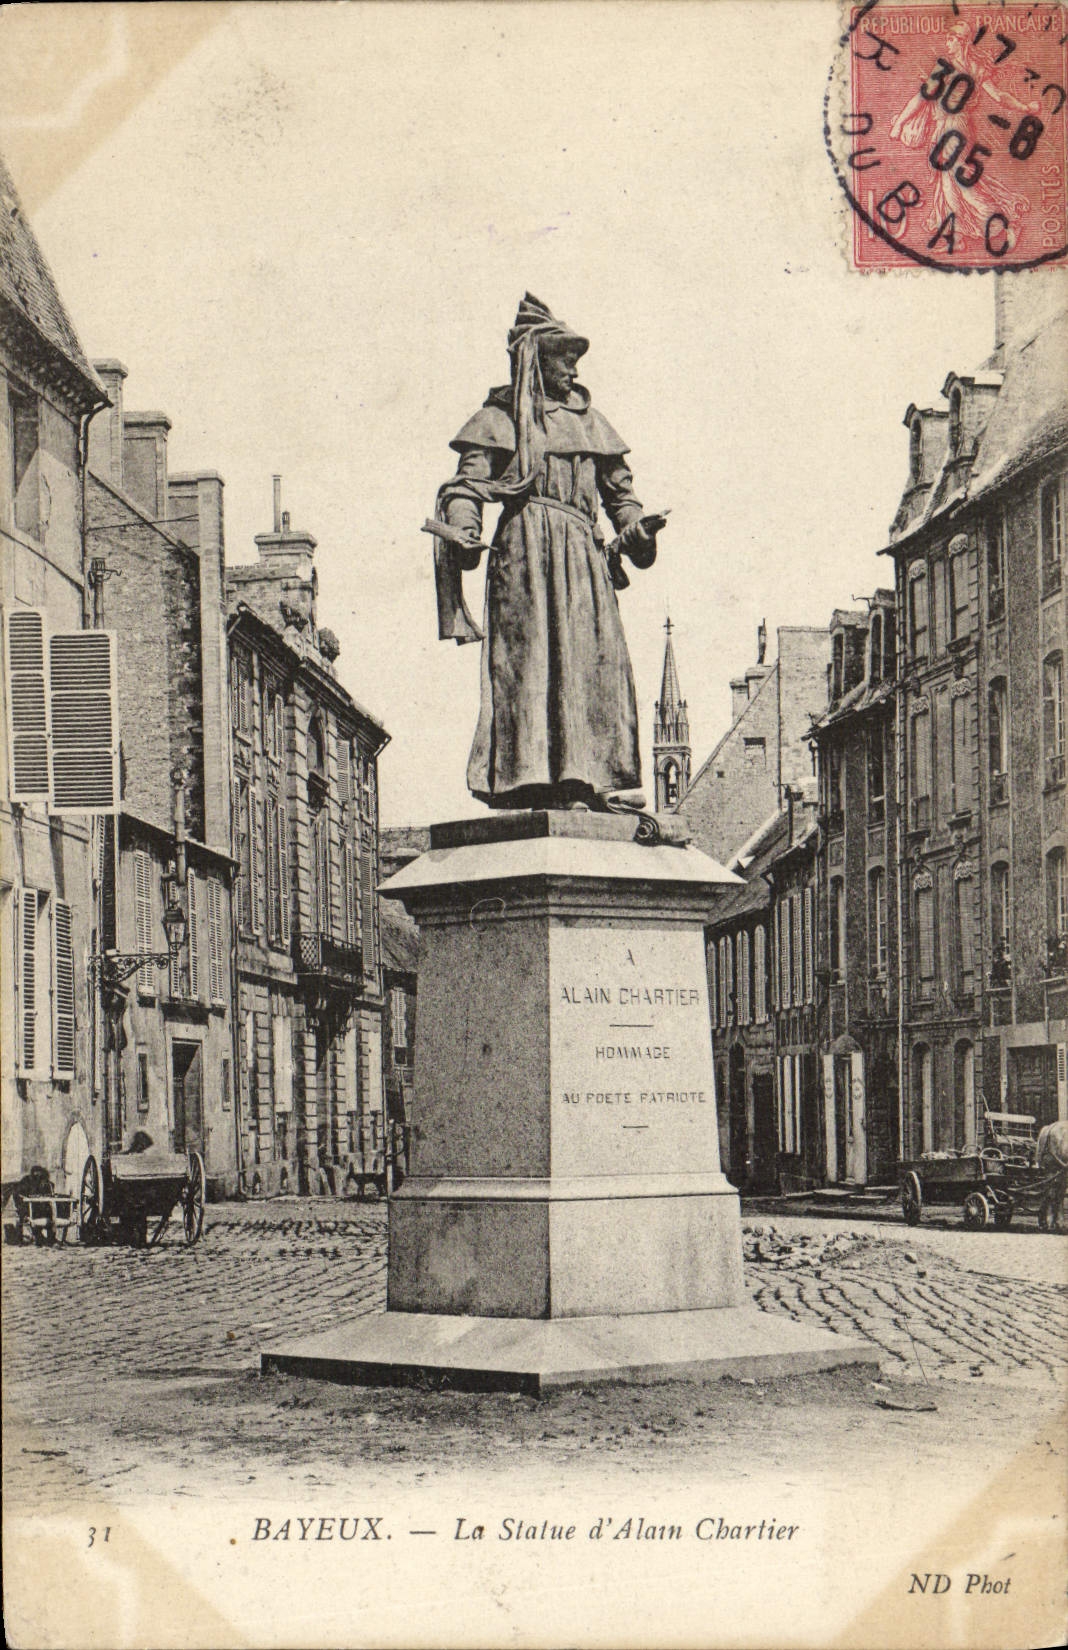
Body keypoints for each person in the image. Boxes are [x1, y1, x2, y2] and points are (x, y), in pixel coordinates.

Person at [432, 293, 666, 811]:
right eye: (565, 358)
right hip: (526, 557)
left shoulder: (590, 419)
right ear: (535, 359)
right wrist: (465, 527)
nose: (574, 368)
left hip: (583, 558)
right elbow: (466, 486)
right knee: (529, 665)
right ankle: (529, 781)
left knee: (590, 664)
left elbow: (621, 494)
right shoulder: (500, 416)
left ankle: (586, 781)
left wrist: (636, 529)